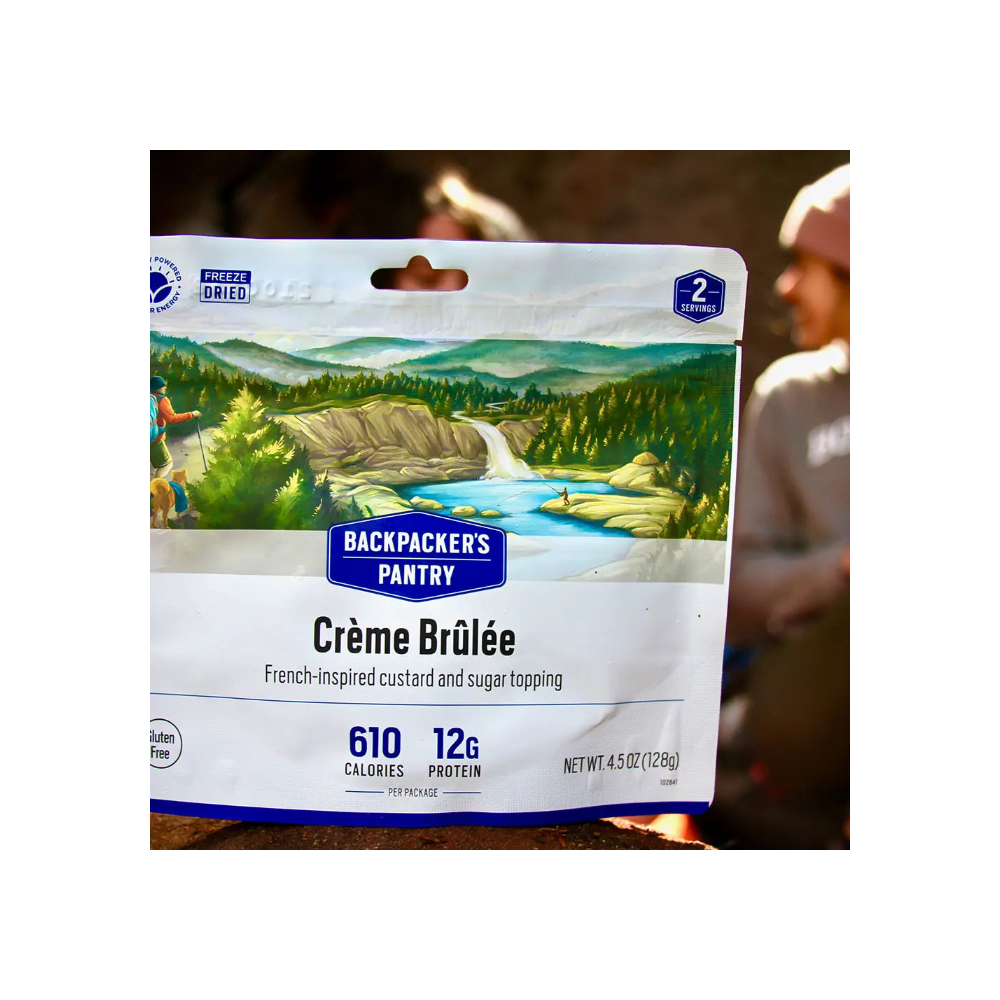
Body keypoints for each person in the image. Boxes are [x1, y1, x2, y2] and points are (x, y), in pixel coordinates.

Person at [700, 163, 850, 849]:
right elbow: (739, 590)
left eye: (805, 266)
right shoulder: (790, 398)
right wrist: (839, 570)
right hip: (804, 703)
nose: (785, 287)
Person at [150, 375, 201, 480]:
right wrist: (191, 415)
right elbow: (172, 419)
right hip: (155, 439)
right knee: (166, 464)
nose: (165, 388)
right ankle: (156, 487)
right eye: (162, 386)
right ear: (157, 388)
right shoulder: (161, 400)